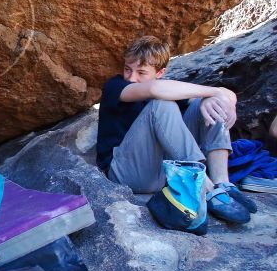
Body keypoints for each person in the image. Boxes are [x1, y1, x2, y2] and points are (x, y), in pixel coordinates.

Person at [96, 35, 256, 224]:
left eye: (141, 72)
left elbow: (227, 95)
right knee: (163, 106)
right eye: (127, 69)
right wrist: (214, 91)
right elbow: (155, 90)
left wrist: (218, 98)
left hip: (162, 173)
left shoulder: (167, 88)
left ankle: (223, 183)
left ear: (160, 72)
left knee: (208, 104)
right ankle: (206, 189)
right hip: (124, 172)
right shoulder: (116, 86)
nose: (132, 78)